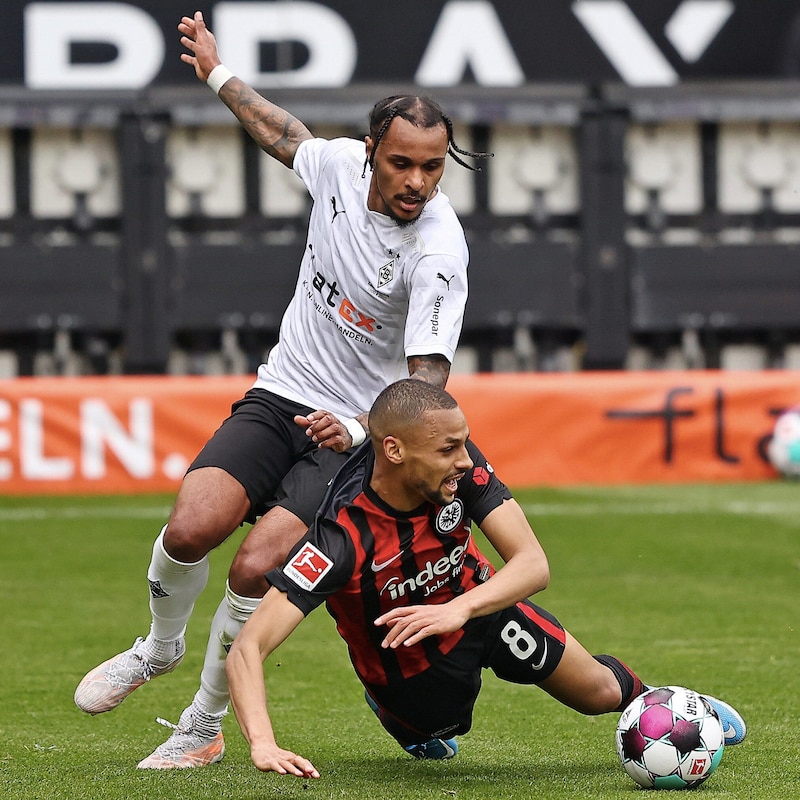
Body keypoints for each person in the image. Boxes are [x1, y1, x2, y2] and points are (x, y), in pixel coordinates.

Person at [74, 10, 491, 769]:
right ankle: (159, 648)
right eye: (403, 164)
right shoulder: (337, 167)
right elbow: (283, 134)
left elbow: (428, 380)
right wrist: (216, 73)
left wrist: (368, 435)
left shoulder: (438, 250)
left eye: (432, 168)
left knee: (253, 567)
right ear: (372, 154)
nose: (419, 183)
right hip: (282, 392)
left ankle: (202, 725)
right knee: (190, 529)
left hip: (354, 436)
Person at [225, 379, 747, 777]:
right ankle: (392, 714)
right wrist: (263, 743)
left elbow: (532, 564)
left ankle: (673, 708)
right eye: (449, 448)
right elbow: (248, 647)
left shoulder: (463, 473)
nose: (467, 460)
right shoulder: (339, 538)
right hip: (409, 669)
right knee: (436, 728)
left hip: (483, 610)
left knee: (600, 692)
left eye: (466, 443)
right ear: (395, 451)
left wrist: (461, 607)